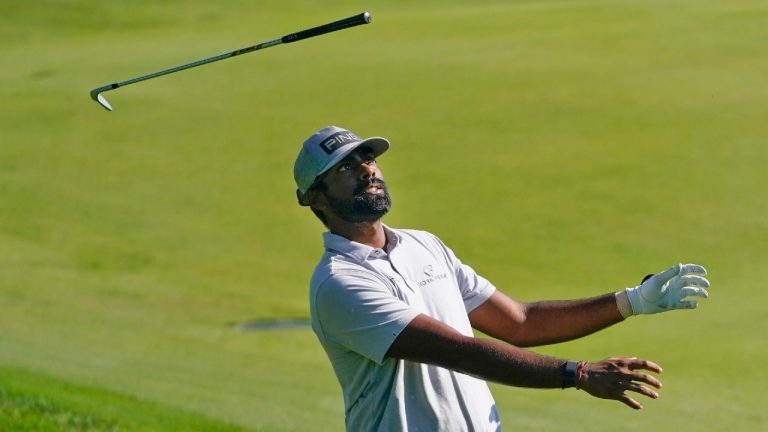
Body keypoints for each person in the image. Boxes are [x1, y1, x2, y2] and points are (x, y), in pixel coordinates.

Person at [294, 125, 711, 432]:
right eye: (345, 168)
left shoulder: (423, 245)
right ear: (316, 197)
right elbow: (461, 352)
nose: (367, 171)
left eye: (367, 158)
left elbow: (519, 322)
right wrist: (578, 374)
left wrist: (633, 300)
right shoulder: (339, 283)